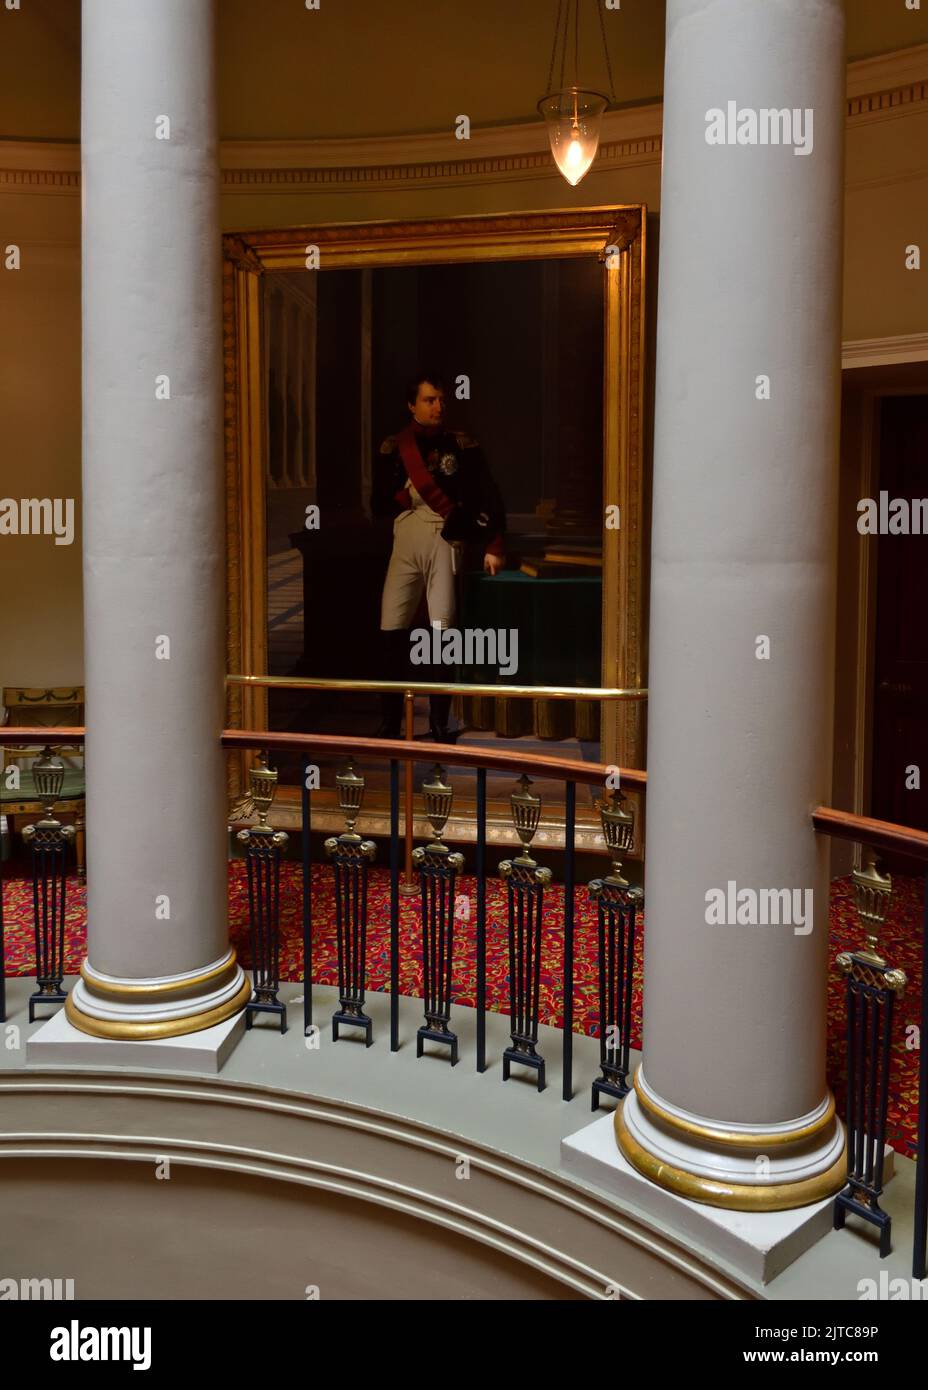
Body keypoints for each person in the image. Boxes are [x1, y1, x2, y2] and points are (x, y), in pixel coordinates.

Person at [371, 373, 506, 741]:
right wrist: (397, 498)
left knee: (442, 635)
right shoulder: (392, 446)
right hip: (406, 537)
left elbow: (487, 494)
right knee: (391, 628)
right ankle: (389, 721)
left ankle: (438, 721)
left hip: (444, 536)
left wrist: (494, 544)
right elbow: (378, 501)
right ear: (411, 405)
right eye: (429, 400)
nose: (438, 406)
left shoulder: (462, 445)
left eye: (441, 400)